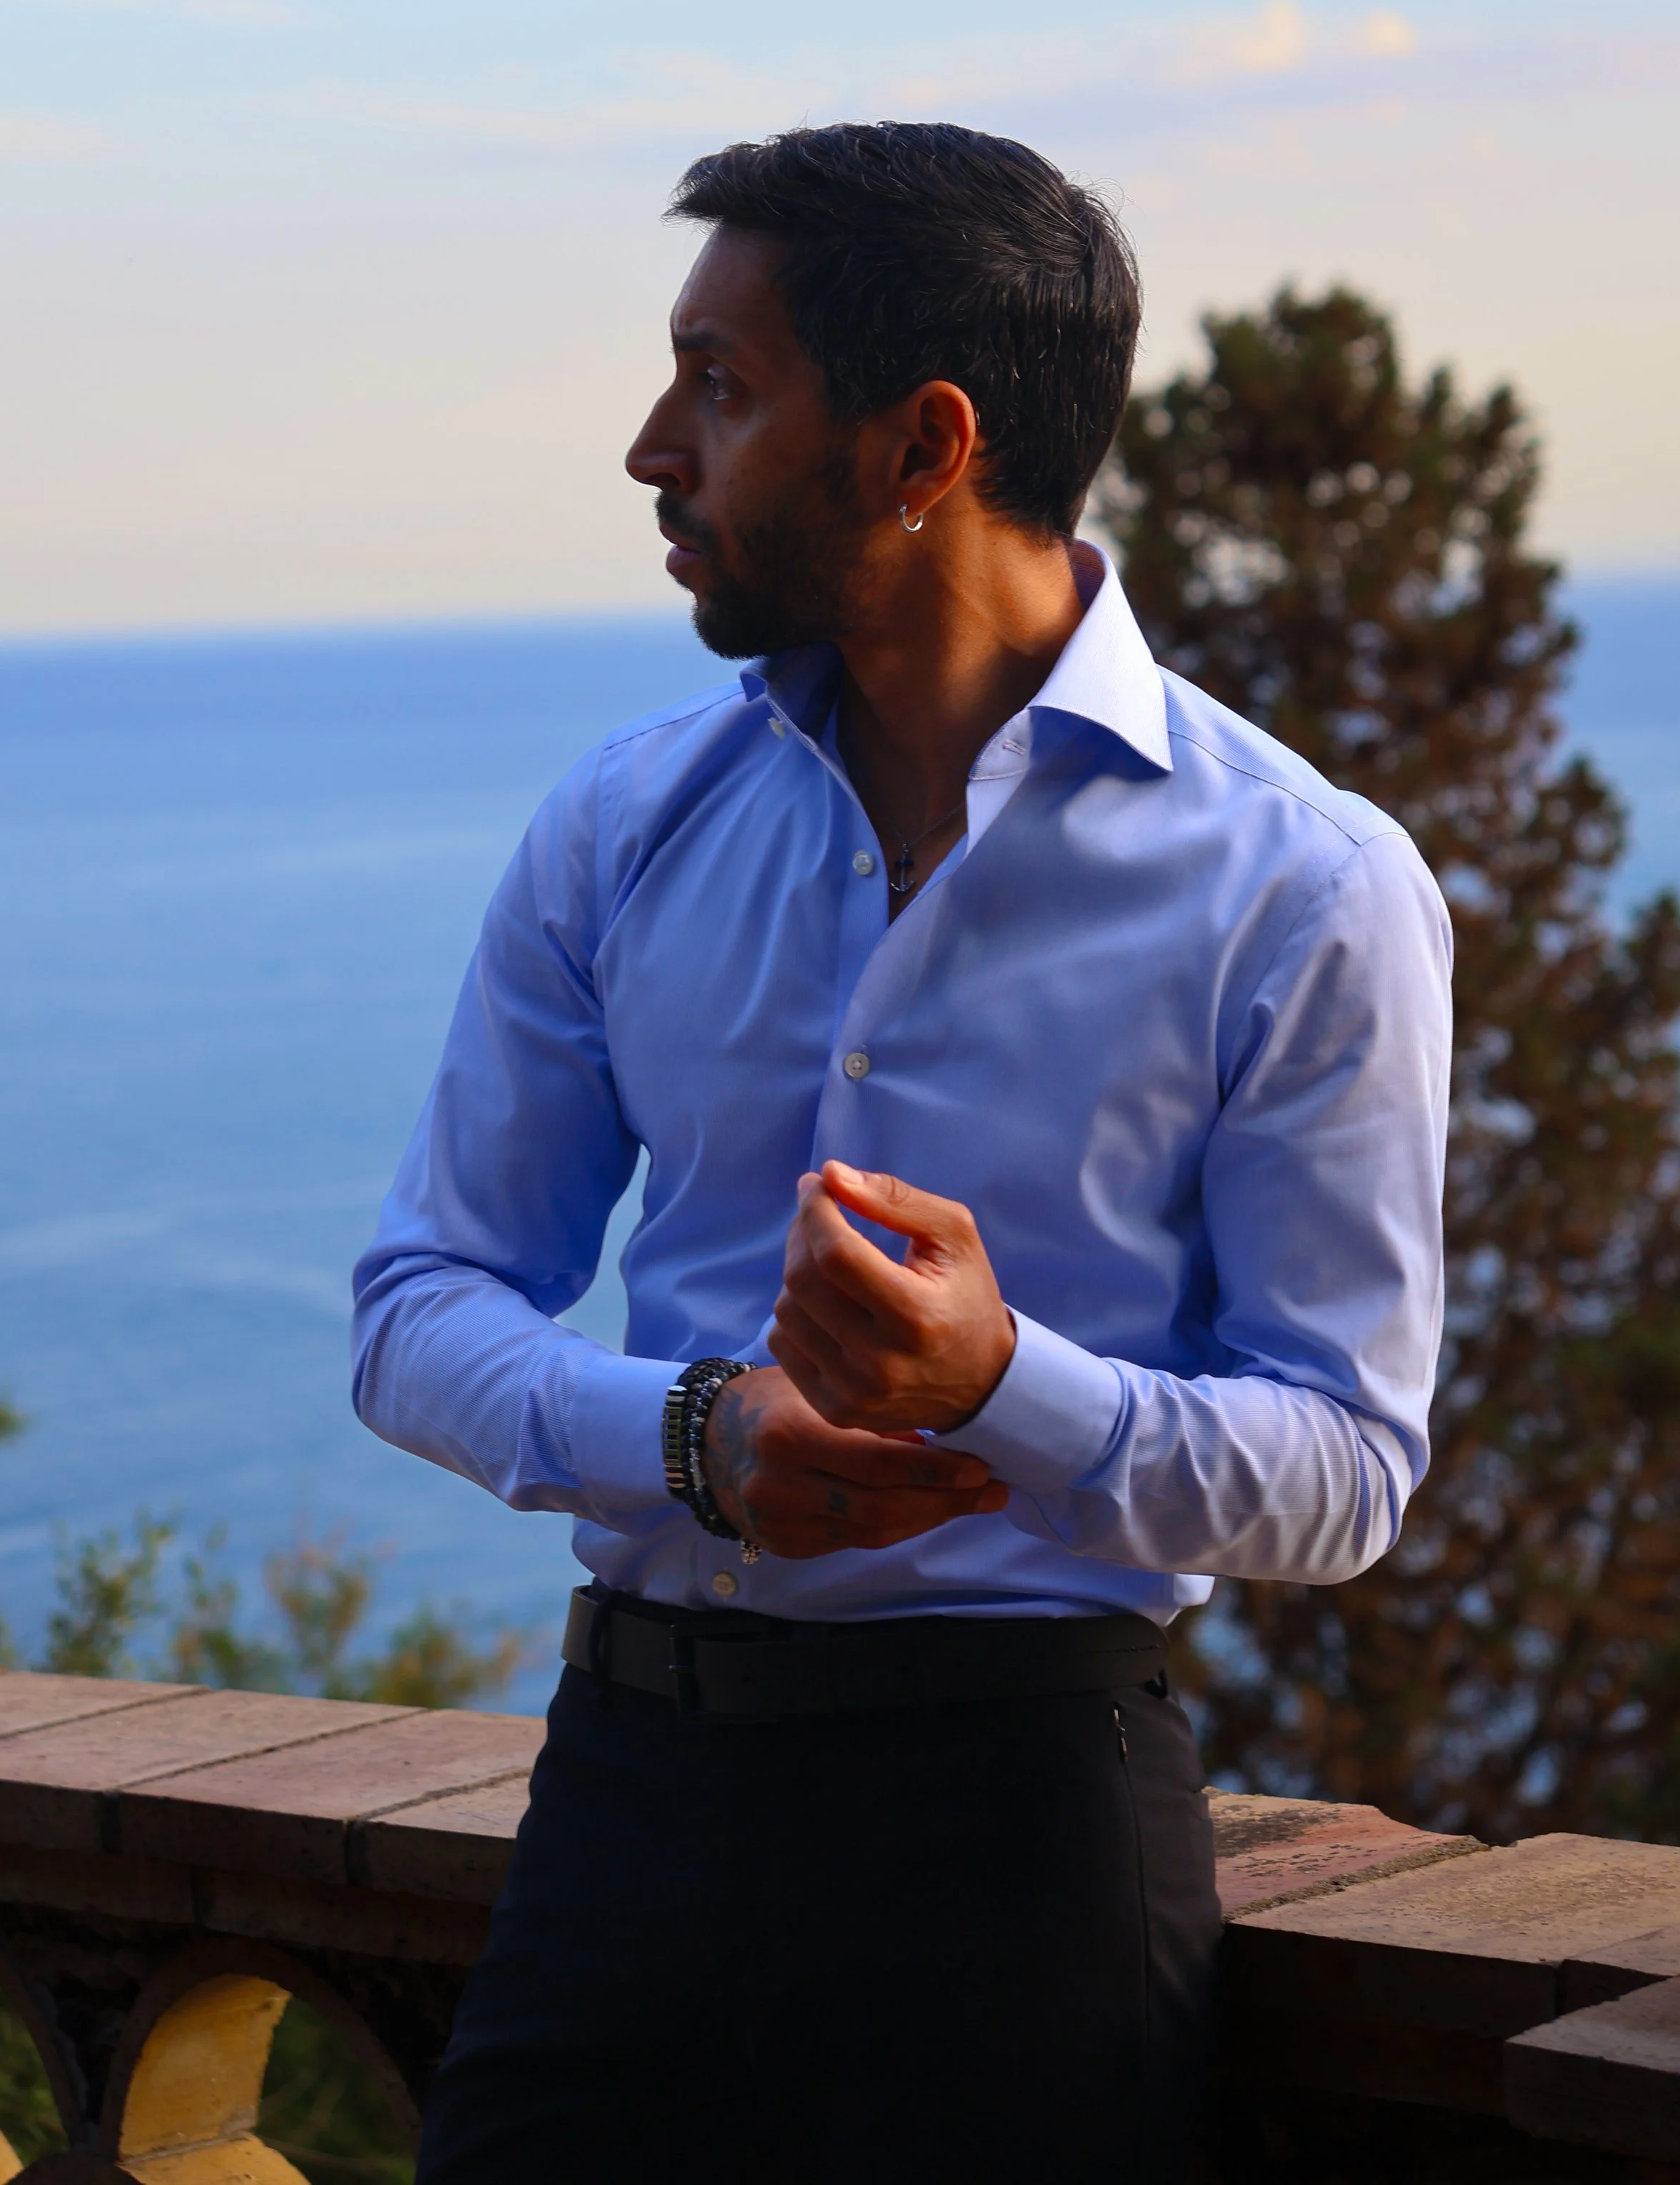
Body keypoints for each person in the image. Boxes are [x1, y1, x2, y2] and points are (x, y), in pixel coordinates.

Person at [352, 122, 1451, 2183]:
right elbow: (417, 1306)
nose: (651, 446)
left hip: (1018, 1840)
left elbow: (1344, 1467)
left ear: (919, 444)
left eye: (720, 381)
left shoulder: (1301, 885)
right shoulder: (619, 824)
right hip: (624, 1806)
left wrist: (999, 1385)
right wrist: (689, 1433)